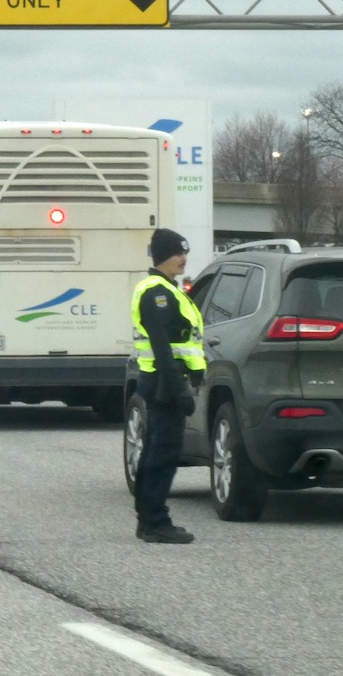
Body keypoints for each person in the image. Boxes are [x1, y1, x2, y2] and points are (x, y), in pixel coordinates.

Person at [131, 228, 205, 544]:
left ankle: (148, 517)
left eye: (185, 252)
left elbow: (181, 341)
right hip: (164, 383)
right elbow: (162, 347)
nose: (184, 258)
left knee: (155, 449)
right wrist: (179, 389)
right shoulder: (156, 293)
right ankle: (155, 522)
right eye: (178, 253)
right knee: (163, 452)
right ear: (163, 256)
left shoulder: (167, 289)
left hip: (164, 381)